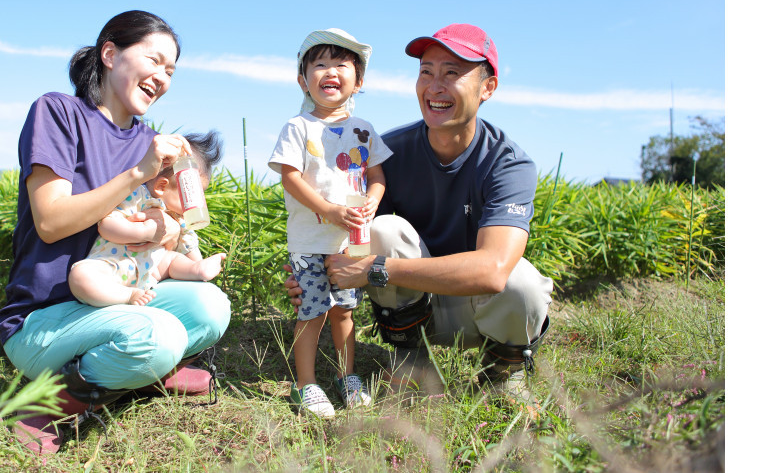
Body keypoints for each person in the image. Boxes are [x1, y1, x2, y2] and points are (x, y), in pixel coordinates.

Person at [0, 10, 231, 455]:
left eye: (171, 70)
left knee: (211, 306)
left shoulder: (151, 140)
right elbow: (50, 223)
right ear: (109, 53)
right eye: (155, 60)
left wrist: (164, 226)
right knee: (160, 337)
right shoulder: (59, 112)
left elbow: (162, 224)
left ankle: (134, 374)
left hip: (118, 298)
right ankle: (45, 402)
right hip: (46, 318)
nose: (162, 77)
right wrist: (136, 173)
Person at [286, 23, 553, 402]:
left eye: (452, 73)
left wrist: (375, 269)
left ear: (487, 87)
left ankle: (502, 371)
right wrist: (310, 271)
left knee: (521, 282)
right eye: (426, 72)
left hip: (481, 310)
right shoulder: (387, 152)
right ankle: (412, 358)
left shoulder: (507, 164)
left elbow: (493, 270)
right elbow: (350, 231)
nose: (435, 86)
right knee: (385, 228)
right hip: (415, 309)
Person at [268, 28, 392, 418]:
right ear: (304, 80)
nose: (330, 71)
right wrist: (329, 209)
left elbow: (377, 177)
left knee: (345, 310)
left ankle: (347, 375)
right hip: (309, 238)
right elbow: (290, 177)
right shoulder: (297, 127)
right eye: (319, 64)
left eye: (341, 64)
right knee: (311, 310)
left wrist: (370, 203)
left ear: (359, 82)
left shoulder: (365, 129)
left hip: (353, 238)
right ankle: (305, 384)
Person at [68, 132, 226, 308]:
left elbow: (190, 247)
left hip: (152, 271)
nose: (200, 201)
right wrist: (145, 232)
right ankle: (126, 295)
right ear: (161, 186)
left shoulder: (182, 220)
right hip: (114, 266)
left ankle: (197, 271)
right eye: (193, 193)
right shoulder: (138, 198)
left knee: (172, 260)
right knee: (80, 275)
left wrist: (198, 264)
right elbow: (106, 226)